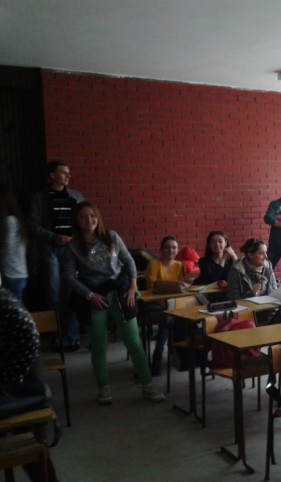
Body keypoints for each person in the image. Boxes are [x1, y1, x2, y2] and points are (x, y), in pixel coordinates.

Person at [62, 201, 165, 405]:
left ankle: (147, 384)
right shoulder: (72, 246)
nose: (88, 220)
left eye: (92, 216)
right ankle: (104, 388)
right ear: (76, 220)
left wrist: (133, 286)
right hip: (94, 296)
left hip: (119, 292)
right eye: (83, 216)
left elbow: (129, 261)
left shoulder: (111, 237)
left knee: (134, 341)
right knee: (99, 345)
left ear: (98, 217)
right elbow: (68, 276)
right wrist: (89, 295)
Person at [0, 284, 62, 482]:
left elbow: (30, 338)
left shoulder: (5, 303)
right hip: (10, 378)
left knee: (31, 443)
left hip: (23, 383)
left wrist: (8, 380)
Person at [27, 160, 84, 351]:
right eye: (63, 172)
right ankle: (57, 337)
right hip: (50, 250)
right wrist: (53, 237)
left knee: (71, 291)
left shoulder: (75, 197)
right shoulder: (39, 198)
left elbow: (86, 221)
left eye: (68, 173)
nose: (68, 176)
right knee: (53, 293)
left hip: (71, 251)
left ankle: (73, 336)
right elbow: (33, 225)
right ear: (52, 176)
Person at [144, 236, 191, 376]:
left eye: (174, 247)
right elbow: (151, 289)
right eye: (167, 247)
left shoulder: (179, 265)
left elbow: (183, 287)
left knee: (178, 316)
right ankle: (158, 355)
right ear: (161, 249)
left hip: (173, 305)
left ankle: (179, 352)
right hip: (155, 305)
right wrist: (168, 300)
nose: (170, 250)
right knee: (168, 318)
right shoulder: (153, 264)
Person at [0, 187, 29, 301]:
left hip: (12, 273)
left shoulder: (9, 221)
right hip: (18, 273)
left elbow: (6, 250)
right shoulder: (16, 220)